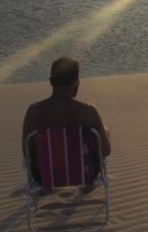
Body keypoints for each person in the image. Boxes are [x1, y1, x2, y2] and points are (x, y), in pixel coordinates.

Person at [22, 56, 111, 186]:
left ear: (51, 82)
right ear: (76, 82)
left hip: (45, 177)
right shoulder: (89, 112)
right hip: (84, 174)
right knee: (105, 131)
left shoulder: (33, 112)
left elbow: (27, 153)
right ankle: (86, 185)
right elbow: (105, 151)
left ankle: (49, 183)